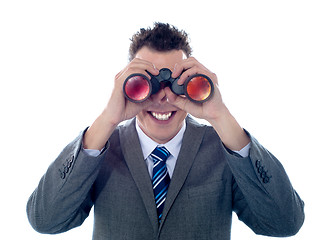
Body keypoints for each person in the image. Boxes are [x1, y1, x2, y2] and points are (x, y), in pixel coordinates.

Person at [27, 22, 305, 240]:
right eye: (145, 84)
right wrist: (107, 120)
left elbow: (284, 223)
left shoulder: (223, 148)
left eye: (175, 83)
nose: (163, 98)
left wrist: (221, 117)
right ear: (127, 85)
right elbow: (45, 220)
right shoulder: (101, 147)